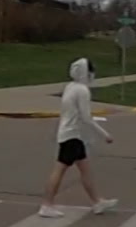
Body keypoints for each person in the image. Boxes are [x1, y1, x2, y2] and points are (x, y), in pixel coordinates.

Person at [42, 57, 112, 213]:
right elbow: (86, 117)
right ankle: (47, 205)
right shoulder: (82, 90)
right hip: (71, 136)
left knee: (85, 169)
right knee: (59, 169)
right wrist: (104, 134)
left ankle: (97, 202)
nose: (93, 75)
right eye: (91, 71)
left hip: (71, 134)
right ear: (86, 73)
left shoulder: (70, 87)